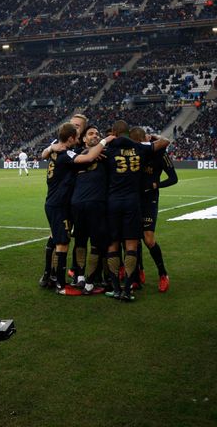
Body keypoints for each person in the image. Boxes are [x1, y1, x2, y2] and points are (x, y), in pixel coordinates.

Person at [40, 122, 113, 294]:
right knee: (62, 243)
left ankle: (57, 279)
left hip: (61, 203)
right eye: (79, 136)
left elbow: (45, 153)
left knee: (64, 241)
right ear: (72, 138)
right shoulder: (66, 154)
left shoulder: (56, 150)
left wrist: (50, 148)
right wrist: (105, 141)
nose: (79, 139)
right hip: (59, 204)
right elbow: (87, 158)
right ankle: (60, 285)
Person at [103, 120, 169, 301]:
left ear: (114, 133)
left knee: (113, 245)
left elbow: (90, 154)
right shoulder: (140, 148)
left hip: (114, 202)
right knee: (132, 244)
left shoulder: (107, 149)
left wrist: (104, 141)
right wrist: (152, 138)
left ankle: (116, 289)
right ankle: (129, 289)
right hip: (133, 202)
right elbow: (165, 142)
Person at [130, 127, 178, 293]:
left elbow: (174, 178)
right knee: (134, 239)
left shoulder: (159, 153)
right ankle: (138, 272)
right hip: (134, 198)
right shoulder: (133, 153)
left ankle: (163, 274)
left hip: (150, 199)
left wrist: (156, 185)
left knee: (148, 239)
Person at [70, 125, 110, 294]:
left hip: (97, 203)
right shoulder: (77, 154)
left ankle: (90, 280)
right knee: (79, 241)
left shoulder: (106, 155)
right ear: (84, 139)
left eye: (97, 133)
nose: (95, 135)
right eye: (91, 133)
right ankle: (79, 277)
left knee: (96, 243)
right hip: (78, 203)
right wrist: (89, 153)